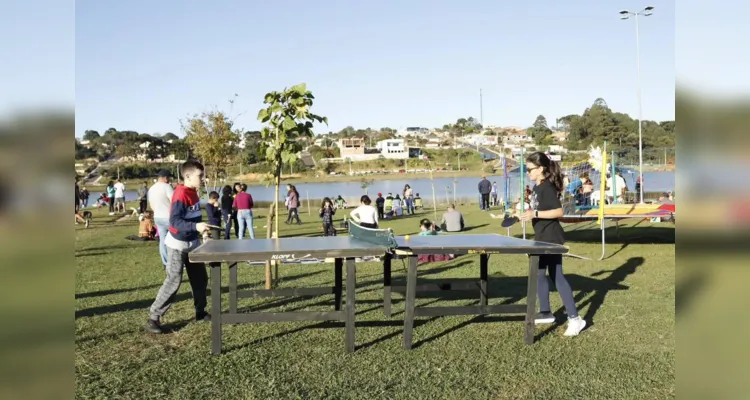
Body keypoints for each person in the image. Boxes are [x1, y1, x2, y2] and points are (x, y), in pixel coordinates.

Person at [520, 152, 586, 337]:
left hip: (551, 237)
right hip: (541, 236)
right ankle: (546, 312)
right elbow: (540, 210)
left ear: (541, 168)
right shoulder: (537, 187)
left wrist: (536, 215)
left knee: (557, 276)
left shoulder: (546, 187)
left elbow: (558, 211)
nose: (528, 173)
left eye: (530, 169)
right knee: (539, 274)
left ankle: (575, 319)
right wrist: (528, 214)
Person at [145, 160, 210, 334]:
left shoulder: (194, 192)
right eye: (200, 175)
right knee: (174, 280)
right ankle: (153, 318)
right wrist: (195, 227)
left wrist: (201, 232)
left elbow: (194, 218)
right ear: (188, 176)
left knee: (201, 279)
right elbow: (175, 221)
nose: (203, 178)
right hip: (177, 246)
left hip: (192, 244)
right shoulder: (180, 194)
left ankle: (200, 312)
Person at [148, 170, 174, 268]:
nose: (169, 180)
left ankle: (165, 262)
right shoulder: (167, 187)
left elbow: (151, 204)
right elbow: (173, 201)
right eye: (169, 178)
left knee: (162, 240)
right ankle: (173, 262)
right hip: (168, 217)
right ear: (166, 178)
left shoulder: (151, 188)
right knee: (174, 240)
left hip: (158, 217)